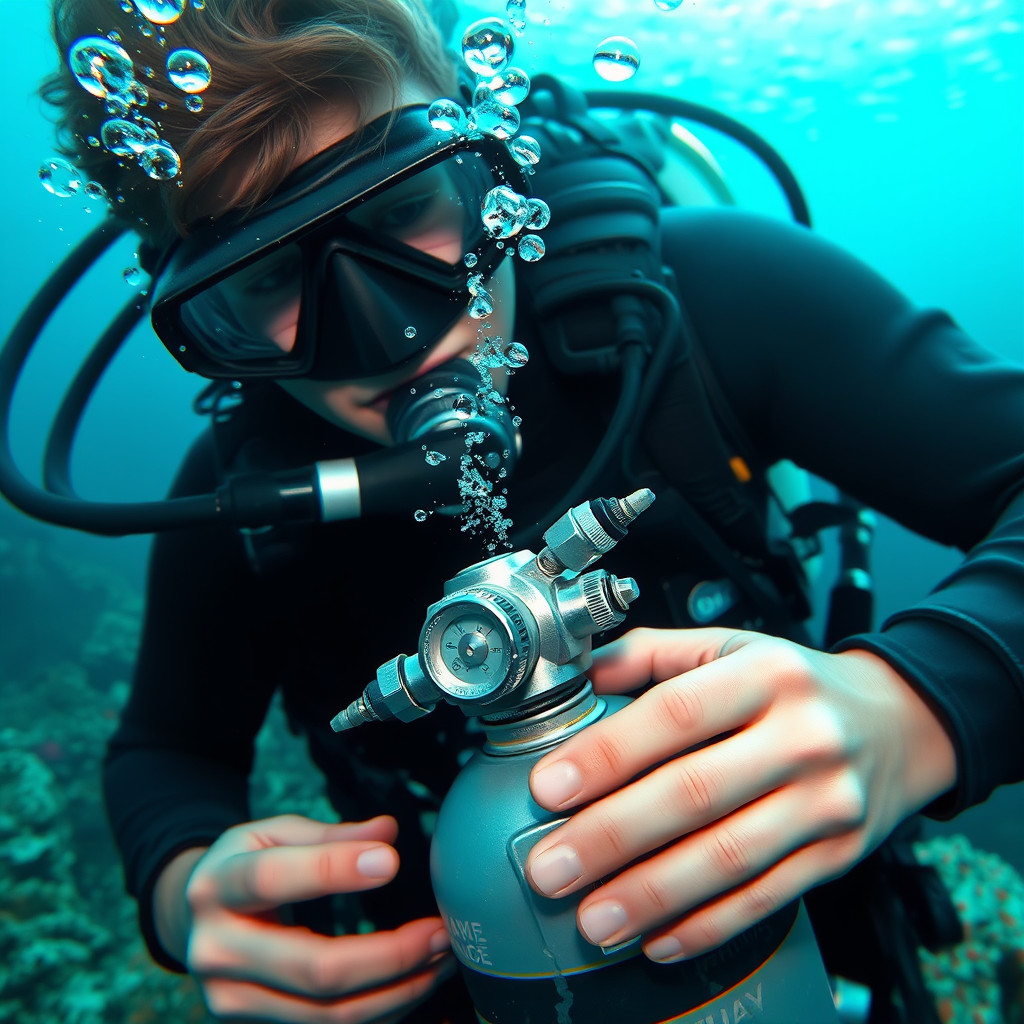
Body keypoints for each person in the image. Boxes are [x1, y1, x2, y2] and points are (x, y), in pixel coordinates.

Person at [31, 0, 1024, 1021]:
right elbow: (168, 748)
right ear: (205, 321)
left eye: (404, 204)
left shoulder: (708, 296)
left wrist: (914, 708)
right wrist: (187, 889)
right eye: (273, 276)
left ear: (489, 158)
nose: (390, 336)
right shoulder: (244, 504)